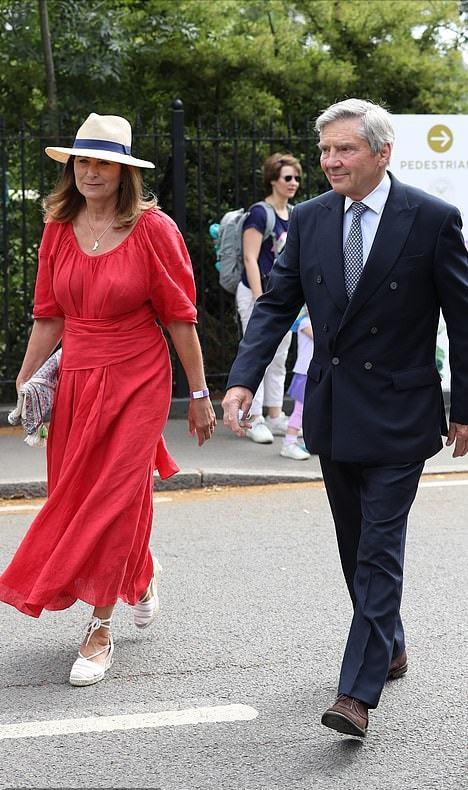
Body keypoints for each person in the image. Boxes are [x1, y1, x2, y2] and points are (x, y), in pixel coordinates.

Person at [222, 99, 468, 736]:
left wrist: (466, 408)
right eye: (325, 150)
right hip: (333, 411)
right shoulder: (309, 219)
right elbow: (276, 305)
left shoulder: (432, 218)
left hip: (401, 411)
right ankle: (390, 642)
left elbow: (463, 320)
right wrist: (244, 379)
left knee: (379, 549)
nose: (330, 161)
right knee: (354, 543)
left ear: (382, 153)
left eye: (345, 149)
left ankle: (356, 693)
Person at [0, 113, 216, 687]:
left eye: (103, 163)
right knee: (79, 494)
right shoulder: (57, 229)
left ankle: (99, 629)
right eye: (82, 162)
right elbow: (49, 316)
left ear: (125, 173)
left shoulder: (154, 229)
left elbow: (180, 318)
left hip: (138, 376)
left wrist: (199, 393)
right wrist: (26, 379)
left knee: (113, 496)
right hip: (77, 378)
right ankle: (139, 572)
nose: (91, 172)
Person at [236, 152, 301, 443]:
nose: (293, 182)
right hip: (257, 293)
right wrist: (260, 299)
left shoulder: (295, 213)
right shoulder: (260, 213)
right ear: (273, 180)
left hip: (282, 296)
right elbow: (250, 258)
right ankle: (253, 418)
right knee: (258, 352)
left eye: (297, 178)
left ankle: (274, 414)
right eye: (288, 177)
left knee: (280, 354)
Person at [280, 307, 313, 461]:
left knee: (312, 410)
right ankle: (289, 443)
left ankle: (309, 442)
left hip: (311, 373)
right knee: (300, 410)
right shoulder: (305, 323)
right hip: (304, 374)